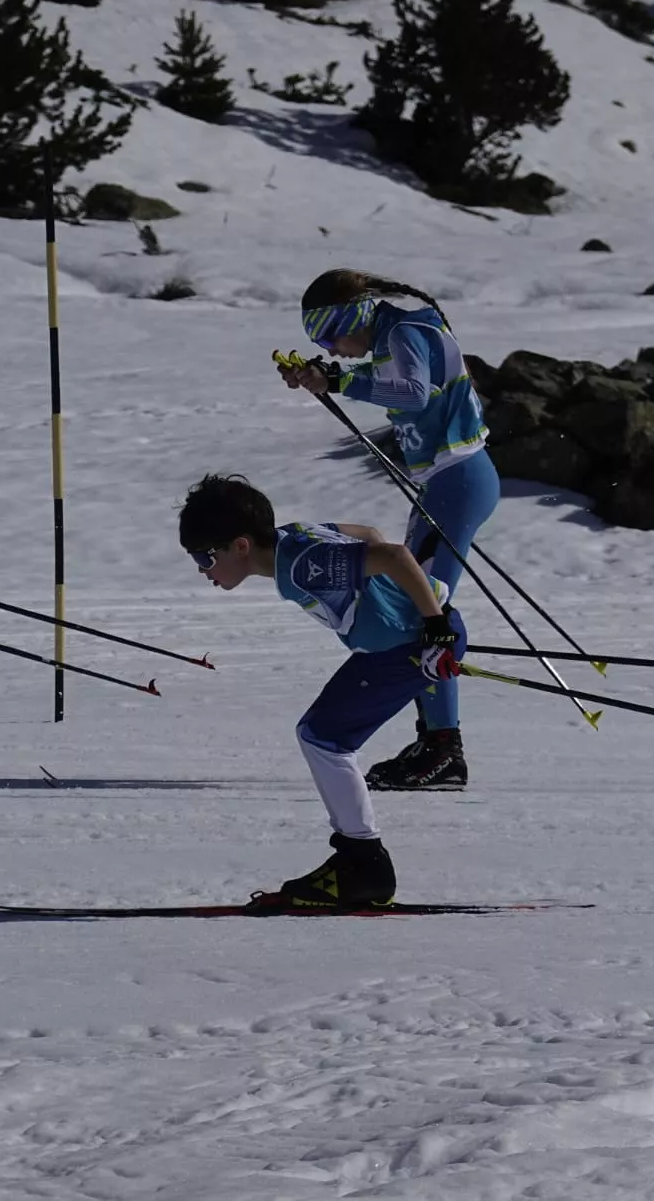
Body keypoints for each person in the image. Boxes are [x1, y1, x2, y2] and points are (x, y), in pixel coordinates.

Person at [178, 473, 466, 909]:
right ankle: (360, 861)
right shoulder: (294, 537)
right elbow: (367, 536)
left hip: (413, 644)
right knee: (320, 735)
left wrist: (434, 629)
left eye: (205, 557)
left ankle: (364, 865)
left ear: (239, 546)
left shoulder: (301, 563)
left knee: (324, 738)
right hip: (408, 640)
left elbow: (390, 554)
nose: (203, 571)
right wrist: (403, 610)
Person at [277, 269, 499, 791]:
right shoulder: (394, 333)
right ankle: (437, 739)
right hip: (447, 482)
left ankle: (445, 749)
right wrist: (326, 378)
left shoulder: (402, 332)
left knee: (427, 611)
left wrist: (338, 380)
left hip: (457, 479)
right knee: (420, 605)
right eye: (318, 342)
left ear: (351, 315)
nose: (333, 347)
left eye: (329, 333)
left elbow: (414, 394)